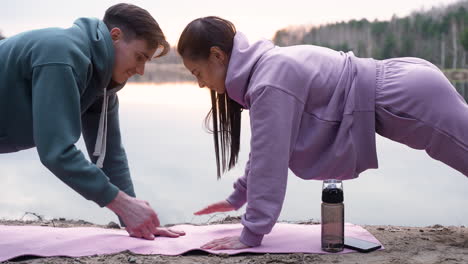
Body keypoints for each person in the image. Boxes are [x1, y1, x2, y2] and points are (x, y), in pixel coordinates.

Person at [177, 16, 468, 249]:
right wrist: (239, 195)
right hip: (404, 84)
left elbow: (270, 161)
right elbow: (266, 148)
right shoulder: (268, 71)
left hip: (406, 96)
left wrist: (249, 236)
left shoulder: (269, 81)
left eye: (197, 73)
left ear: (217, 55)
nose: (201, 84)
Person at [0, 3, 185, 240]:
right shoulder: (62, 56)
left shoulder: (102, 86)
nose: (140, 70)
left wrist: (134, 217)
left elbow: (111, 156)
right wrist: (122, 204)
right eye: (140, 57)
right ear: (115, 36)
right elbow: (57, 152)